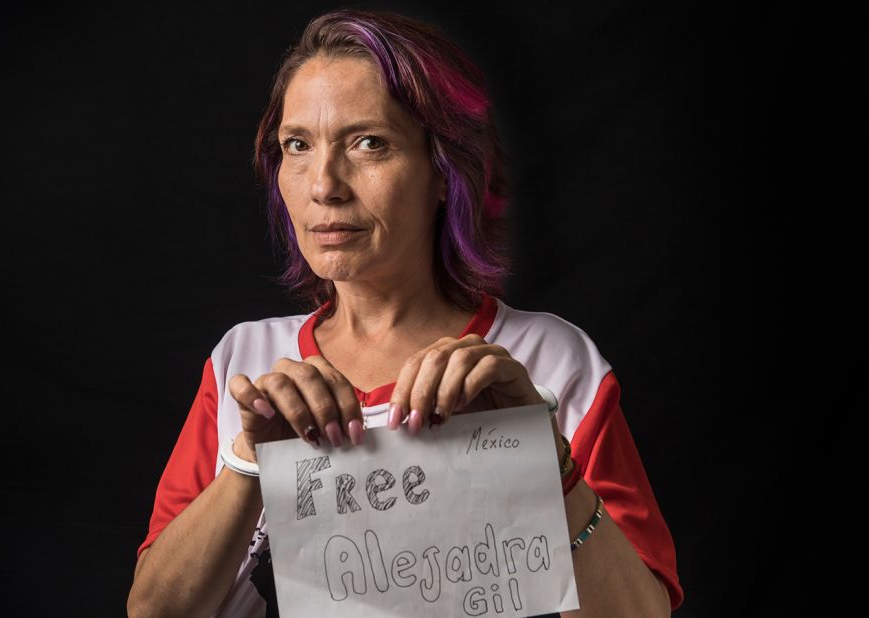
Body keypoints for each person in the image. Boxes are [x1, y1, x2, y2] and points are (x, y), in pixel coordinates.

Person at [127, 8, 682, 617]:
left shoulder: (551, 363)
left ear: (444, 168)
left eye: (369, 143)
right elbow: (153, 611)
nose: (324, 185)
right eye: (298, 146)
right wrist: (248, 462)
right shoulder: (244, 362)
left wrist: (547, 464)